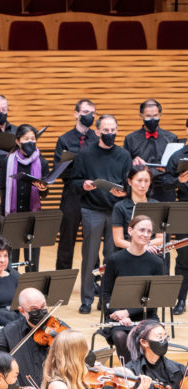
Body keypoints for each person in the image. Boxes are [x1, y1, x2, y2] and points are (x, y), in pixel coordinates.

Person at [71, 114, 132, 313]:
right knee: (89, 256)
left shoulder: (123, 155)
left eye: (113, 130)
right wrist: (84, 185)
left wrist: (124, 192)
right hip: (92, 210)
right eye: (106, 131)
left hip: (116, 211)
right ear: (97, 132)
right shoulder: (85, 154)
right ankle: (87, 300)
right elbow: (74, 182)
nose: (110, 134)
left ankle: (106, 299)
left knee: (112, 257)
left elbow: (129, 184)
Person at [100, 214, 166, 364]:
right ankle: (131, 373)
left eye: (149, 232)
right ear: (130, 231)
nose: (145, 234)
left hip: (146, 316)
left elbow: (154, 299)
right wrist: (119, 314)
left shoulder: (156, 262)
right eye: (141, 230)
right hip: (118, 317)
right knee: (119, 336)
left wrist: (128, 312)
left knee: (157, 336)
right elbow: (106, 293)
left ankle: (150, 372)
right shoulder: (114, 260)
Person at [55, 99, 98, 270]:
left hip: (93, 196)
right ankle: (61, 281)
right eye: (86, 112)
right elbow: (60, 170)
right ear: (76, 114)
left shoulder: (97, 138)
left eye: (93, 113)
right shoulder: (64, 140)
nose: (90, 116)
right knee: (67, 240)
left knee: (93, 241)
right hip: (72, 196)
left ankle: (93, 281)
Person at [3, 123, 50, 271]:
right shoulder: (8, 161)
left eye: (32, 138)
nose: (30, 142)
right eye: (26, 138)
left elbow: (44, 193)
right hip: (12, 216)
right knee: (12, 261)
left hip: (33, 217)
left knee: (32, 261)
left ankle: (31, 290)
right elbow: (2, 188)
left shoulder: (42, 162)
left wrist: (43, 189)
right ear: (17, 141)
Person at [0, 288, 51, 388]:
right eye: (34, 309)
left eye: (43, 306)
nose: (41, 312)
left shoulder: (57, 327)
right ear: (22, 311)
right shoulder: (10, 331)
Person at [124, 99, 177, 203]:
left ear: (160, 114)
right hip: (141, 188)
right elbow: (125, 166)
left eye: (155, 115)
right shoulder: (130, 139)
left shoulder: (171, 138)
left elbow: (176, 165)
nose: (152, 119)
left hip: (165, 188)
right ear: (141, 115)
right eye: (148, 116)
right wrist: (134, 163)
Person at [165, 124, 188, 315]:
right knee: (184, 258)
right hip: (184, 209)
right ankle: (180, 300)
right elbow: (164, 182)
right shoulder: (177, 156)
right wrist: (177, 182)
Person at [111, 166, 161, 251]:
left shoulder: (157, 205)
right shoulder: (120, 207)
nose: (143, 185)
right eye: (139, 180)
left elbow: (161, 238)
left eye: (146, 181)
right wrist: (141, 247)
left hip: (151, 251)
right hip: (128, 252)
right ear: (129, 181)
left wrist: (147, 246)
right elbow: (118, 240)